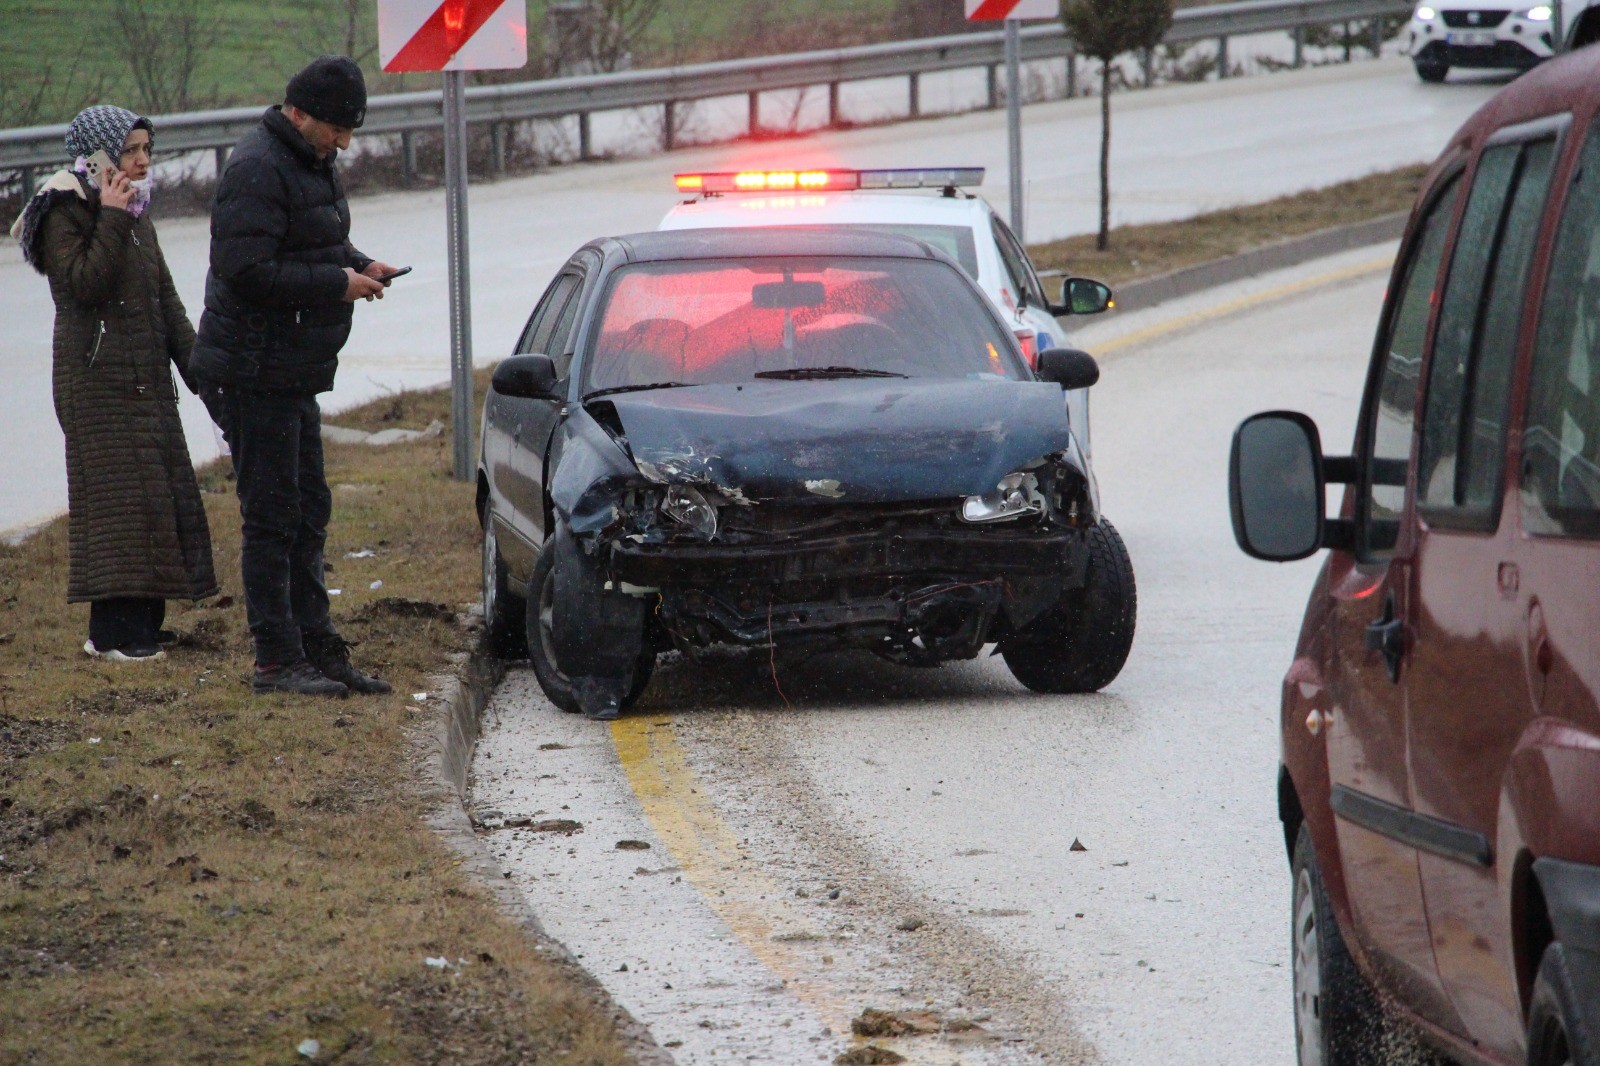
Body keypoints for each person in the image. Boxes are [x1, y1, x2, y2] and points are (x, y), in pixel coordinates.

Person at [190, 55, 397, 698]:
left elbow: (313, 243)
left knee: (309, 511)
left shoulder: (312, 162)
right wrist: (338, 284)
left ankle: (319, 647)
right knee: (274, 516)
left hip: (290, 371)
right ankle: (276, 660)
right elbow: (244, 269)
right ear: (299, 113)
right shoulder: (256, 168)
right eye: (337, 128)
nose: (344, 142)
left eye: (350, 130)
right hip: (251, 371)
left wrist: (362, 263)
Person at [10, 105, 218, 661]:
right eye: (131, 151)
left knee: (154, 500)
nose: (143, 160)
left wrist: (205, 374)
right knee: (117, 510)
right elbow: (83, 282)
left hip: (142, 382)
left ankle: (144, 624)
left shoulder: (131, 208)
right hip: (96, 386)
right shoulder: (66, 209)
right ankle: (112, 635)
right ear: (98, 156)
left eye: (147, 149)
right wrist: (110, 214)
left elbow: (163, 299)